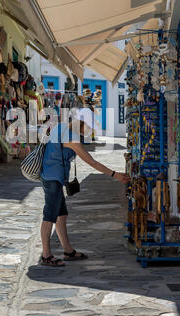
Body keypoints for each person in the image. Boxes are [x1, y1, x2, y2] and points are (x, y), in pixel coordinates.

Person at [40, 108, 130, 267]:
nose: (90, 130)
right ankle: (46, 255)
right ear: (81, 123)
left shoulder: (60, 127)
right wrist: (115, 175)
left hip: (51, 176)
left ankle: (68, 251)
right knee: (50, 216)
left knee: (61, 214)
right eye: (89, 126)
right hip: (53, 178)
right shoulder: (71, 137)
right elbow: (91, 162)